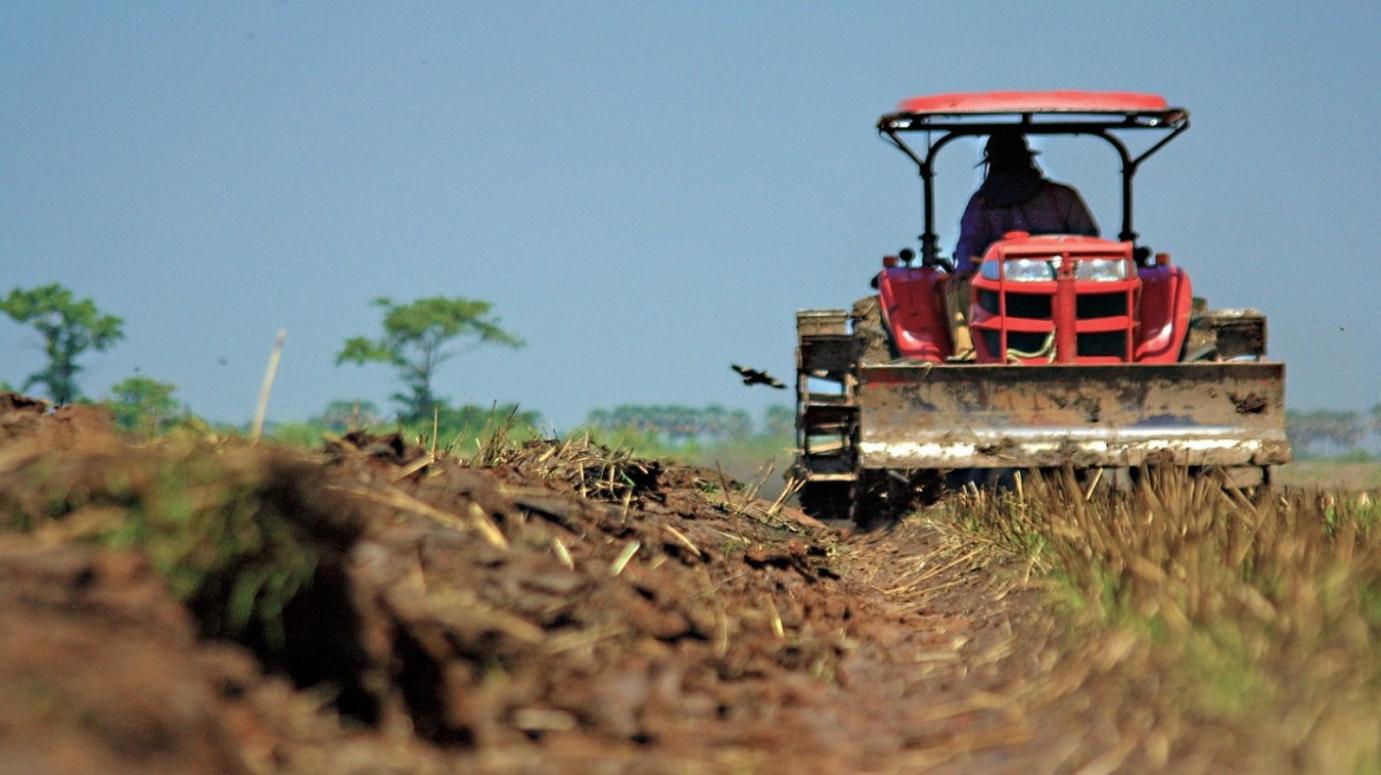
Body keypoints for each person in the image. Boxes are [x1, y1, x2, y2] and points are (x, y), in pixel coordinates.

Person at [945, 131, 1099, 360]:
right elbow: (968, 248)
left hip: (1062, 279)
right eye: (1003, 162)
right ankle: (970, 353)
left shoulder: (1061, 199)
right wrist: (967, 269)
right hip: (996, 285)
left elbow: (1089, 242)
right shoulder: (982, 205)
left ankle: (1097, 345)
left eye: (1013, 161)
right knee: (958, 286)